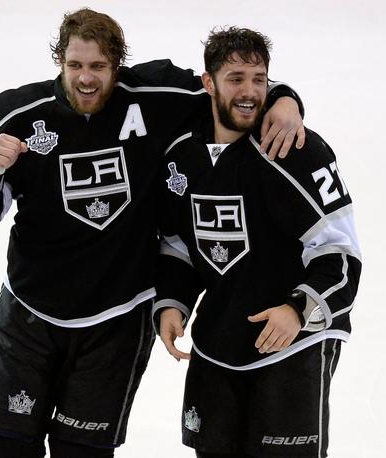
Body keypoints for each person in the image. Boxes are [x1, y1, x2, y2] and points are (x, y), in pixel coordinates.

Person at [0, 8, 305, 458]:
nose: (85, 79)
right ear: (60, 60)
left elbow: (231, 87)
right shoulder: (15, 113)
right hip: (29, 317)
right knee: (4, 450)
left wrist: (285, 99)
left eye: (98, 67)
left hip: (116, 324)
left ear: (118, 65)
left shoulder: (154, 94)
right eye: (75, 65)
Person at [155, 27, 362, 458]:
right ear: (208, 83)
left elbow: (341, 255)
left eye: (259, 78)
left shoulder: (296, 150)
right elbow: (177, 242)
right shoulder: (181, 155)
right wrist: (173, 301)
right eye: (236, 79)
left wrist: (298, 309)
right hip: (218, 343)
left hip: (293, 345)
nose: (250, 91)